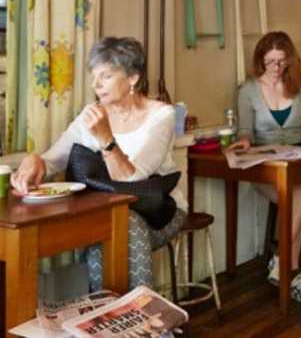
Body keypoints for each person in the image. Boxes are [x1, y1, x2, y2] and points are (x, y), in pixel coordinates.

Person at [11, 37, 186, 290]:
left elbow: (133, 179)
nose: (96, 84)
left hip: (162, 211)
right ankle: (126, 320)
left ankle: (133, 320)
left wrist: (105, 138)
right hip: (113, 215)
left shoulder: (161, 115)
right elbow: (53, 160)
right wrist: (34, 160)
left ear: (133, 78)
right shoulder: (90, 115)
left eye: (105, 76)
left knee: (119, 228)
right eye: (94, 77)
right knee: (109, 230)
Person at [225, 31, 301, 301]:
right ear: (260, 60)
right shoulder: (248, 90)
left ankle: (285, 266)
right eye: (270, 62)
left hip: (300, 164)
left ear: (290, 60)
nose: (276, 68)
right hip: (267, 168)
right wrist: (243, 141)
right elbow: (245, 131)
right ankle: (290, 271)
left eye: (281, 61)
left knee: (300, 190)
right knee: (297, 197)